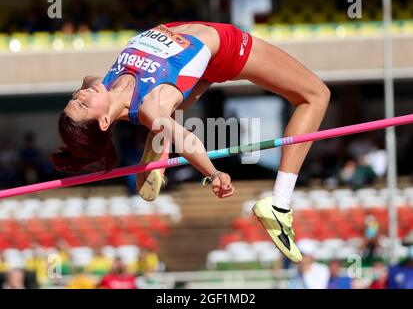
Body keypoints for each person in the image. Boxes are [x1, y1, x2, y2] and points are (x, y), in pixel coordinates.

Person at [51, 21, 330, 263]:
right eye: (83, 105)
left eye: (74, 99)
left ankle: (158, 147)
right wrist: (213, 173)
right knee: (316, 95)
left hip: (186, 41)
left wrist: (87, 101)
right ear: (103, 123)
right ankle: (279, 205)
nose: (80, 96)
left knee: (168, 105)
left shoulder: (103, 82)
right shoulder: (150, 107)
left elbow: (89, 84)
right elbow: (187, 140)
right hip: (223, 47)